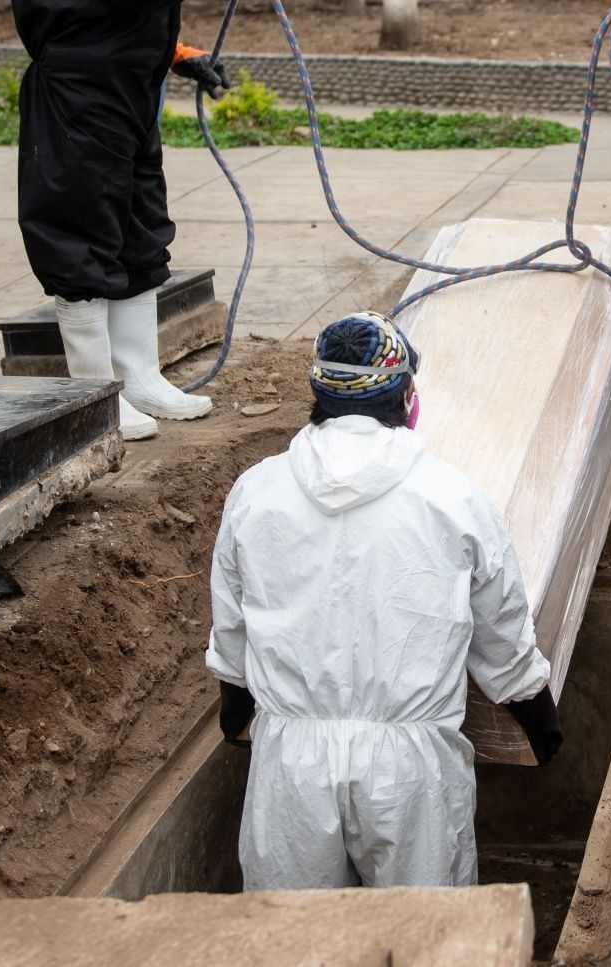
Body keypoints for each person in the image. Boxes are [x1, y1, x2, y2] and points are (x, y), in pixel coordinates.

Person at [207, 311, 565, 889]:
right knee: (426, 937)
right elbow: (499, 623)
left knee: (297, 943)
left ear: (317, 392)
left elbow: (233, 619)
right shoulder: (452, 498)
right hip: (411, 775)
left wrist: (235, 696)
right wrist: (534, 712)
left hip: (293, 765)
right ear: (406, 394)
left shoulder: (257, 492)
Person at [11, 0, 278, 441]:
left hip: (127, 81)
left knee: (135, 227)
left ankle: (140, 378)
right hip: (82, 87)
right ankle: (96, 397)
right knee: (82, 230)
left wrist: (175, 55)